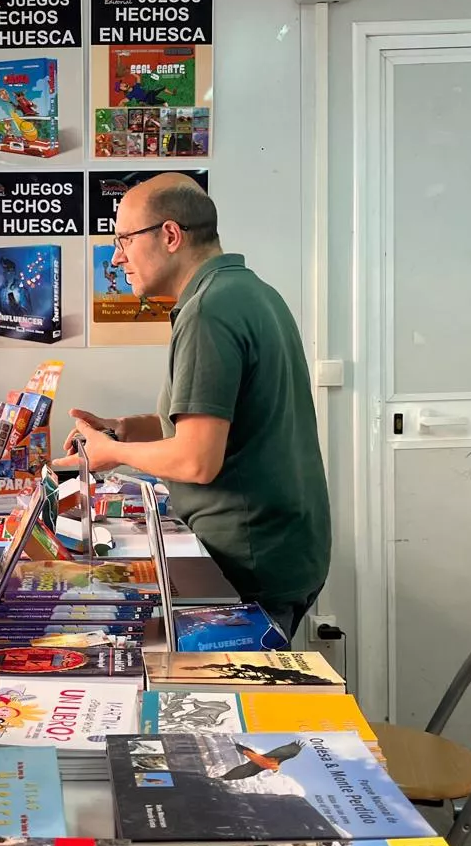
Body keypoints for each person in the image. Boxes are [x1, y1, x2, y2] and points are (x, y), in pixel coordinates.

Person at [64, 175, 330, 637]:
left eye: (124, 239)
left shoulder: (208, 311)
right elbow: (219, 421)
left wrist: (112, 454)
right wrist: (123, 428)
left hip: (250, 559)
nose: (117, 257)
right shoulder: (249, 292)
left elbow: (196, 459)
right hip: (285, 545)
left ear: (170, 235)